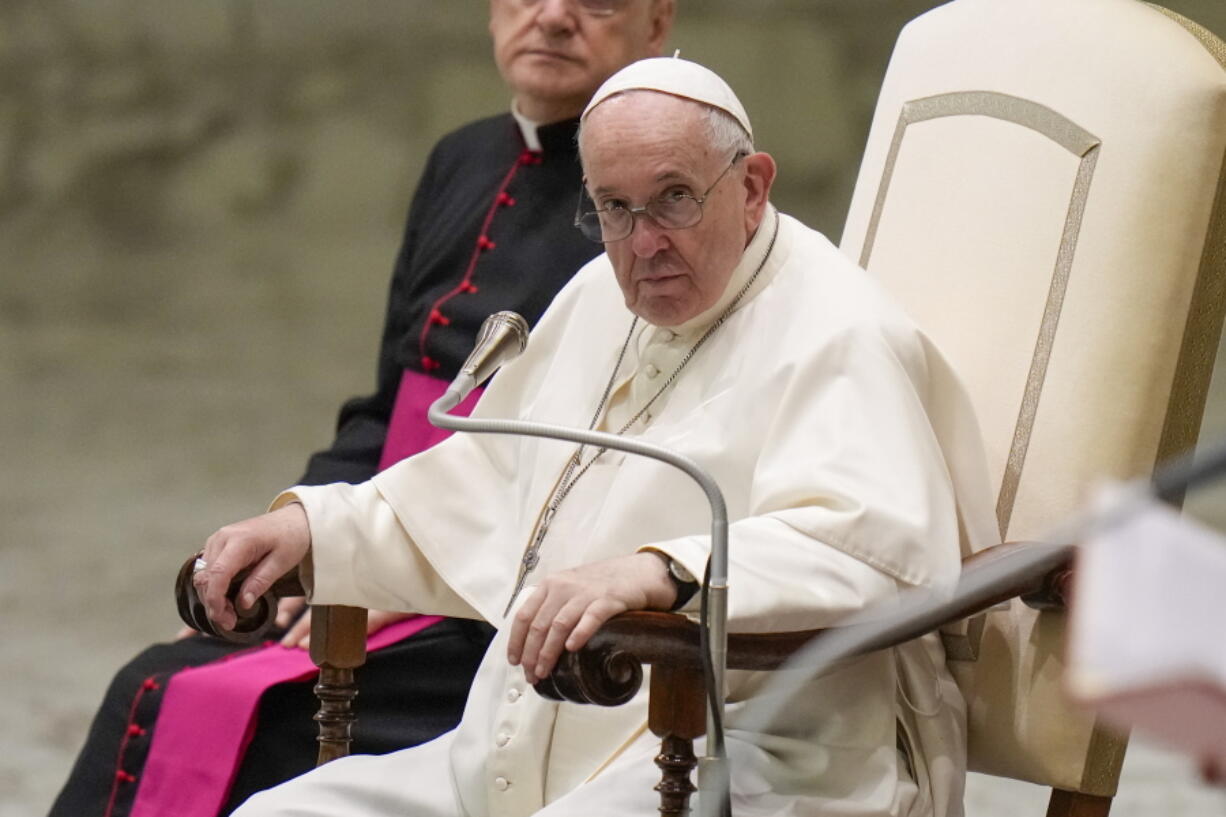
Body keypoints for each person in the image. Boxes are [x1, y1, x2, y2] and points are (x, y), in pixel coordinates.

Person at [194, 58, 999, 817]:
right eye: (613, 207)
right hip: (523, 753)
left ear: (752, 187)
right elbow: (484, 483)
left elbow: (874, 545)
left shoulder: (839, 330)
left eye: (675, 197)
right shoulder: (599, 296)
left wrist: (664, 570)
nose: (643, 242)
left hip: (749, 757)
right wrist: (314, 526)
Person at [50, 2, 675, 816]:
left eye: (595, 0)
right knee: (159, 676)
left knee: (241, 713)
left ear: (657, 23)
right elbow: (388, 404)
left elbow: (620, 452)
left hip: (498, 599)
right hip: (381, 530)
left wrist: (399, 570)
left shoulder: (654, 196)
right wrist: (296, 542)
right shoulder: (462, 157)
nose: (553, 18)